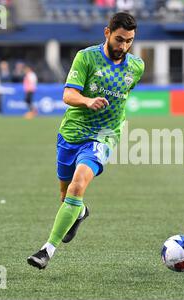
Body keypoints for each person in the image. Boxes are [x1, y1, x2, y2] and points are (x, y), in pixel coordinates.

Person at [27, 12, 145, 270]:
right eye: (119, 39)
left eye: (129, 41)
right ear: (107, 33)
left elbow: (124, 96)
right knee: (65, 194)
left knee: (78, 185)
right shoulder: (86, 57)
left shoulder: (136, 66)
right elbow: (68, 94)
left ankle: (47, 250)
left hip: (104, 135)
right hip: (71, 133)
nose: (123, 46)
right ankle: (79, 212)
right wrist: (88, 101)